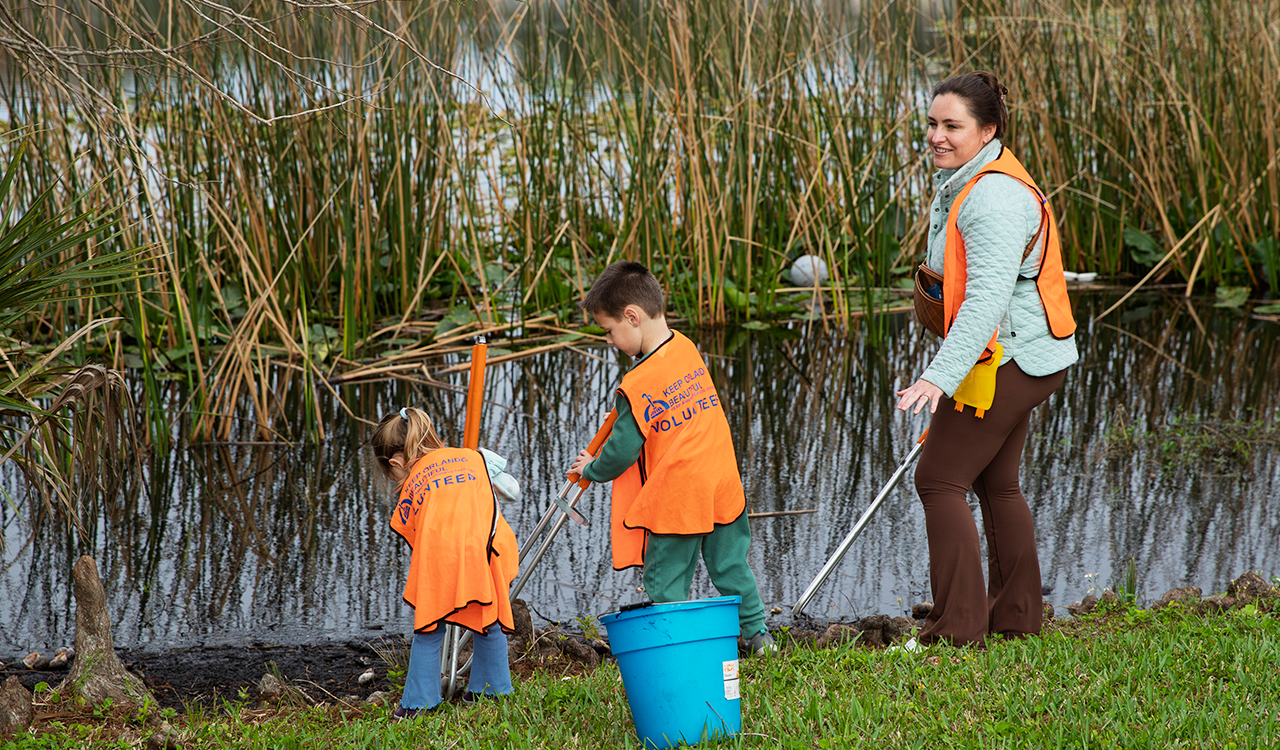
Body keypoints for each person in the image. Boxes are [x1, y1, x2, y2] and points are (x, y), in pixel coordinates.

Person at [895, 71, 1078, 649]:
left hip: (1016, 355)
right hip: (1030, 351)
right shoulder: (973, 177)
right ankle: (1016, 617)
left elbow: (987, 302)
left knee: (939, 479)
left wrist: (936, 377)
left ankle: (956, 631)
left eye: (953, 126)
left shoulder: (993, 197)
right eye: (932, 123)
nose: (937, 136)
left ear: (988, 129)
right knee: (997, 483)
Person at [568, 261, 775, 656]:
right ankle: (759, 637)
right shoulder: (685, 347)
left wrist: (590, 469)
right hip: (721, 481)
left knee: (665, 577)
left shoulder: (636, 383)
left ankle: (673, 647)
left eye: (609, 331)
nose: (610, 340)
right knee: (732, 566)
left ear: (632, 316)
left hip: (677, 496)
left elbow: (621, 452)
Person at [371, 407, 520, 718]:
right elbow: (509, 490)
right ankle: (489, 692)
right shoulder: (474, 456)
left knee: (429, 625)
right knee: (488, 617)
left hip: (444, 556)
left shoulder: (413, 483)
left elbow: (412, 531)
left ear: (396, 462)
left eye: (393, 474)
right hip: (492, 547)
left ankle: (417, 704)